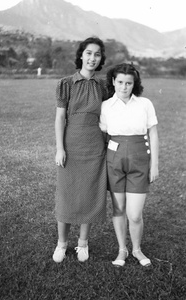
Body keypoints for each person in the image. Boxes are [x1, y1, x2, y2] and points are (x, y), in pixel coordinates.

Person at [53, 37, 108, 263]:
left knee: (90, 193)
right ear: (81, 55)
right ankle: (61, 244)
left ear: (100, 59)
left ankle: (82, 244)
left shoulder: (103, 86)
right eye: (88, 53)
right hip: (71, 146)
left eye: (97, 54)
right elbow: (59, 118)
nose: (92, 58)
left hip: (95, 146)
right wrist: (60, 148)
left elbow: (108, 116)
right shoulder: (66, 83)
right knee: (66, 194)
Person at [99, 63, 159, 267]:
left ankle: (137, 249)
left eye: (129, 83)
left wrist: (154, 165)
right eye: (120, 82)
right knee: (119, 208)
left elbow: (153, 133)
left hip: (139, 159)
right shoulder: (106, 106)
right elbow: (103, 135)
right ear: (113, 82)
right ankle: (122, 250)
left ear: (135, 84)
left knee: (134, 214)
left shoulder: (144, 104)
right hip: (114, 159)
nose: (124, 87)